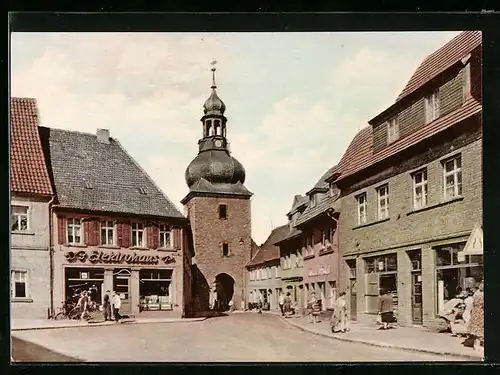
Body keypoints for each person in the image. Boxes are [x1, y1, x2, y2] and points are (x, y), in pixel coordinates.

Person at [467, 280, 484, 352]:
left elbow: (473, 303)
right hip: (480, 313)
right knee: (480, 330)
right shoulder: (482, 294)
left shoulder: (476, 293)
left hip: (475, 312)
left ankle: (476, 345)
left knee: (477, 330)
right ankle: (477, 346)